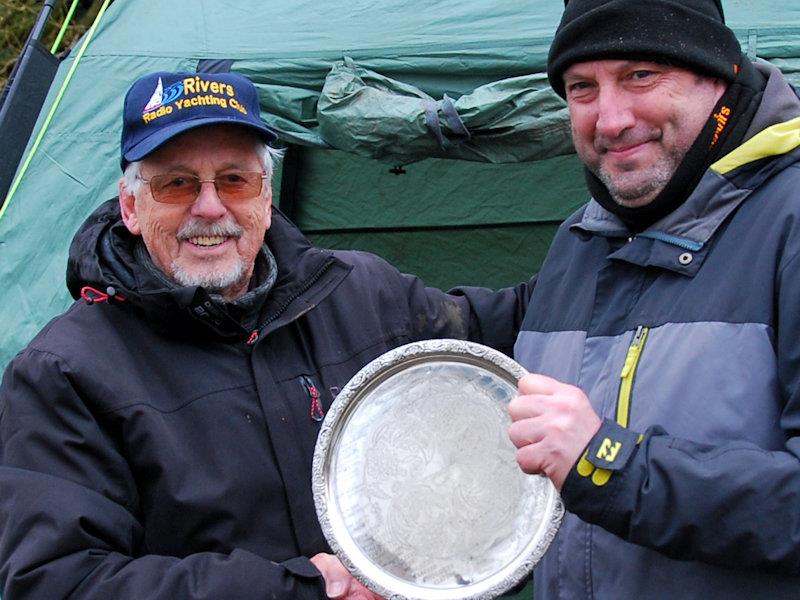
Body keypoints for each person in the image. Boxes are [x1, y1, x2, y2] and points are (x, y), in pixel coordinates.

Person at [0, 71, 531, 600]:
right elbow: (57, 583)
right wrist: (299, 589)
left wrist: (608, 217)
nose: (209, 207)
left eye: (234, 180)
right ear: (131, 207)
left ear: (266, 194)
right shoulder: (65, 373)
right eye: (177, 183)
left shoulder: (360, 293)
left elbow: (512, 327)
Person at [506, 0, 800, 597]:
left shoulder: (790, 218)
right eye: (582, 88)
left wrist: (607, 463)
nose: (610, 119)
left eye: (641, 75)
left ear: (717, 77)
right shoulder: (580, 240)